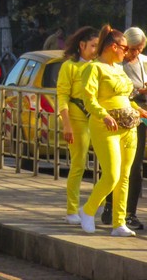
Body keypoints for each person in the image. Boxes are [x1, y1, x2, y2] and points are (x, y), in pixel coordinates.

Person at [78, 25, 147, 237]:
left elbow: (125, 98)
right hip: (106, 126)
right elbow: (89, 99)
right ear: (113, 46)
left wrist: (138, 109)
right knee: (112, 174)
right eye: (124, 48)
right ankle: (88, 210)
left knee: (125, 175)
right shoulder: (94, 68)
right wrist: (103, 115)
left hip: (128, 125)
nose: (127, 53)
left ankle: (119, 223)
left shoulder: (118, 69)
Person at [101, 26, 147, 229]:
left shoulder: (143, 62)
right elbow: (113, 92)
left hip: (140, 116)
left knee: (135, 166)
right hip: (119, 115)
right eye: (133, 49)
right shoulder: (115, 64)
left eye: (140, 49)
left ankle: (130, 213)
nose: (135, 53)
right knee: (116, 165)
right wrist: (138, 91)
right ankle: (110, 205)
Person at [56, 26, 98, 225]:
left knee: (109, 166)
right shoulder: (69, 66)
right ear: (82, 45)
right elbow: (62, 96)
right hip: (77, 116)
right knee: (79, 164)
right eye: (93, 45)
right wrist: (67, 125)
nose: (95, 50)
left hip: (97, 116)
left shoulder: (99, 66)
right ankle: (72, 209)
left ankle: (99, 207)